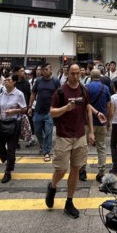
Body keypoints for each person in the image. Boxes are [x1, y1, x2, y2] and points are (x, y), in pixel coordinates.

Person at [45, 64, 95, 219]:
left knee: (75, 169)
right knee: (61, 170)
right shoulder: (60, 91)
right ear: (67, 74)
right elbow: (52, 112)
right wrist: (65, 108)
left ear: (81, 73)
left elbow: (87, 108)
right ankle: (52, 187)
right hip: (63, 136)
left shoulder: (84, 90)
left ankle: (69, 201)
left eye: (77, 73)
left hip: (80, 136)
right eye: (72, 73)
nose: (75, 76)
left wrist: (91, 131)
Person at [0, 73, 26, 183]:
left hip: (14, 124)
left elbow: (24, 109)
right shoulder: (2, 93)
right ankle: (10, 161)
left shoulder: (19, 94)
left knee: (11, 149)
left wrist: (14, 111)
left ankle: (8, 172)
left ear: (14, 82)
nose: (6, 82)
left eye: (9, 80)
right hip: (1, 123)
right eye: (6, 80)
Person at [28, 63, 59, 162]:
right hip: (38, 110)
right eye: (43, 70)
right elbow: (33, 93)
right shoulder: (38, 81)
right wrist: (29, 107)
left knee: (49, 132)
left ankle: (47, 152)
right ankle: (43, 144)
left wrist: (57, 108)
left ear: (51, 70)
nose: (44, 71)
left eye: (46, 69)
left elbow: (59, 95)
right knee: (37, 130)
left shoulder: (55, 81)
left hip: (49, 111)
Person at [83, 69, 111, 183]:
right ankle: (101, 172)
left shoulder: (86, 88)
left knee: (84, 147)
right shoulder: (106, 88)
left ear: (90, 76)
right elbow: (108, 106)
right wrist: (107, 120)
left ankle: (82, 171)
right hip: (102, 122)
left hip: (87, 124)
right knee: (101, 147)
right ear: (100, 76)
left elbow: (84, 105)